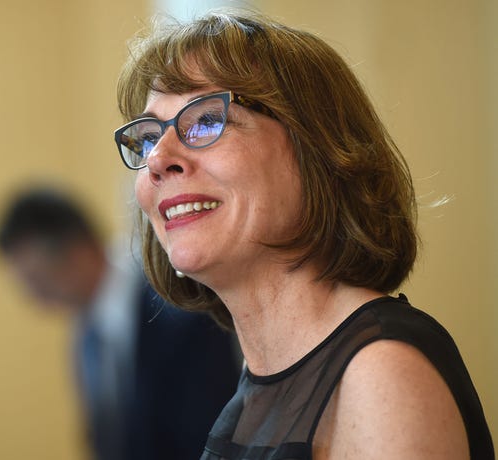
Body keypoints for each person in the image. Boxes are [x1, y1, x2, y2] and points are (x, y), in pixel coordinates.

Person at [113, 9, 494, 460]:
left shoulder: (378, 374)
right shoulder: (257, 387)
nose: (158, 158)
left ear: (317, 148)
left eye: (206, 120)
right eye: (148, 136)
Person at [0, 188, 241, 460]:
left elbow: (212, 427)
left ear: (79, 250)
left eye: (37, 280)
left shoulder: (180, 306)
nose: (36, 299)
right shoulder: (85, 334)